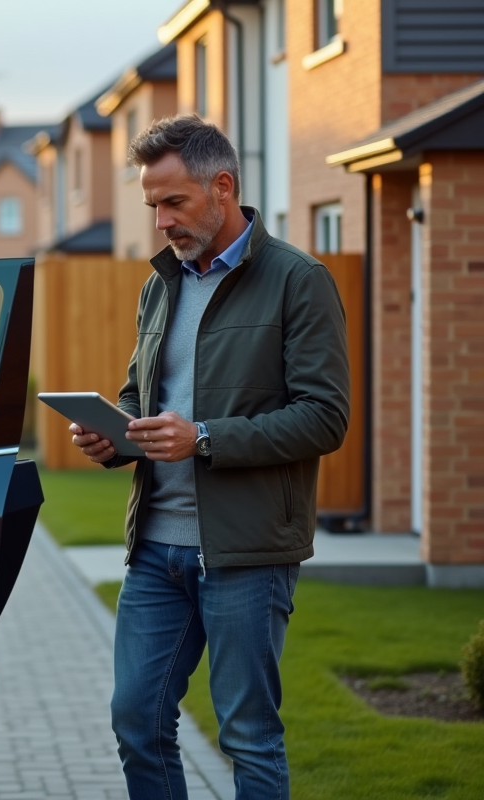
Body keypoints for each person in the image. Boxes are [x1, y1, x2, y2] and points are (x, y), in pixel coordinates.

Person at [70, 115, 350, 800]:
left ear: (221, 187)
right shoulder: (160, 285)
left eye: (174, 202)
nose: (161, 220)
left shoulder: (297, 280)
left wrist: (205, 438)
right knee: (136, 717)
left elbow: (325, 416)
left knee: (248, 734)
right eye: (152, 205)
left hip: (247, 554)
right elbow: (141, 394)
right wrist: (112, 435)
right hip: (155, 551)